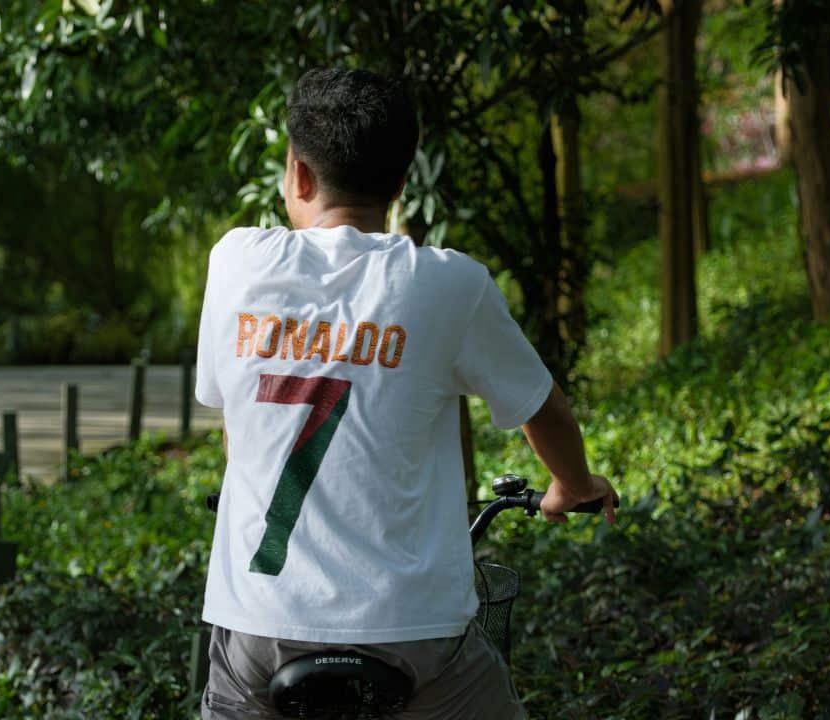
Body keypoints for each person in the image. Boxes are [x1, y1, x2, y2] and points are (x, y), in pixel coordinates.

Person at [194, 67, 617, 719]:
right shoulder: (448, 285)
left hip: (260, 623)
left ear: (298, 176)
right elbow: (546, 410)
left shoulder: (235, 263)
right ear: (400, 182)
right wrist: (573, 484)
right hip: (414, 632)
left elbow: (236, 427)